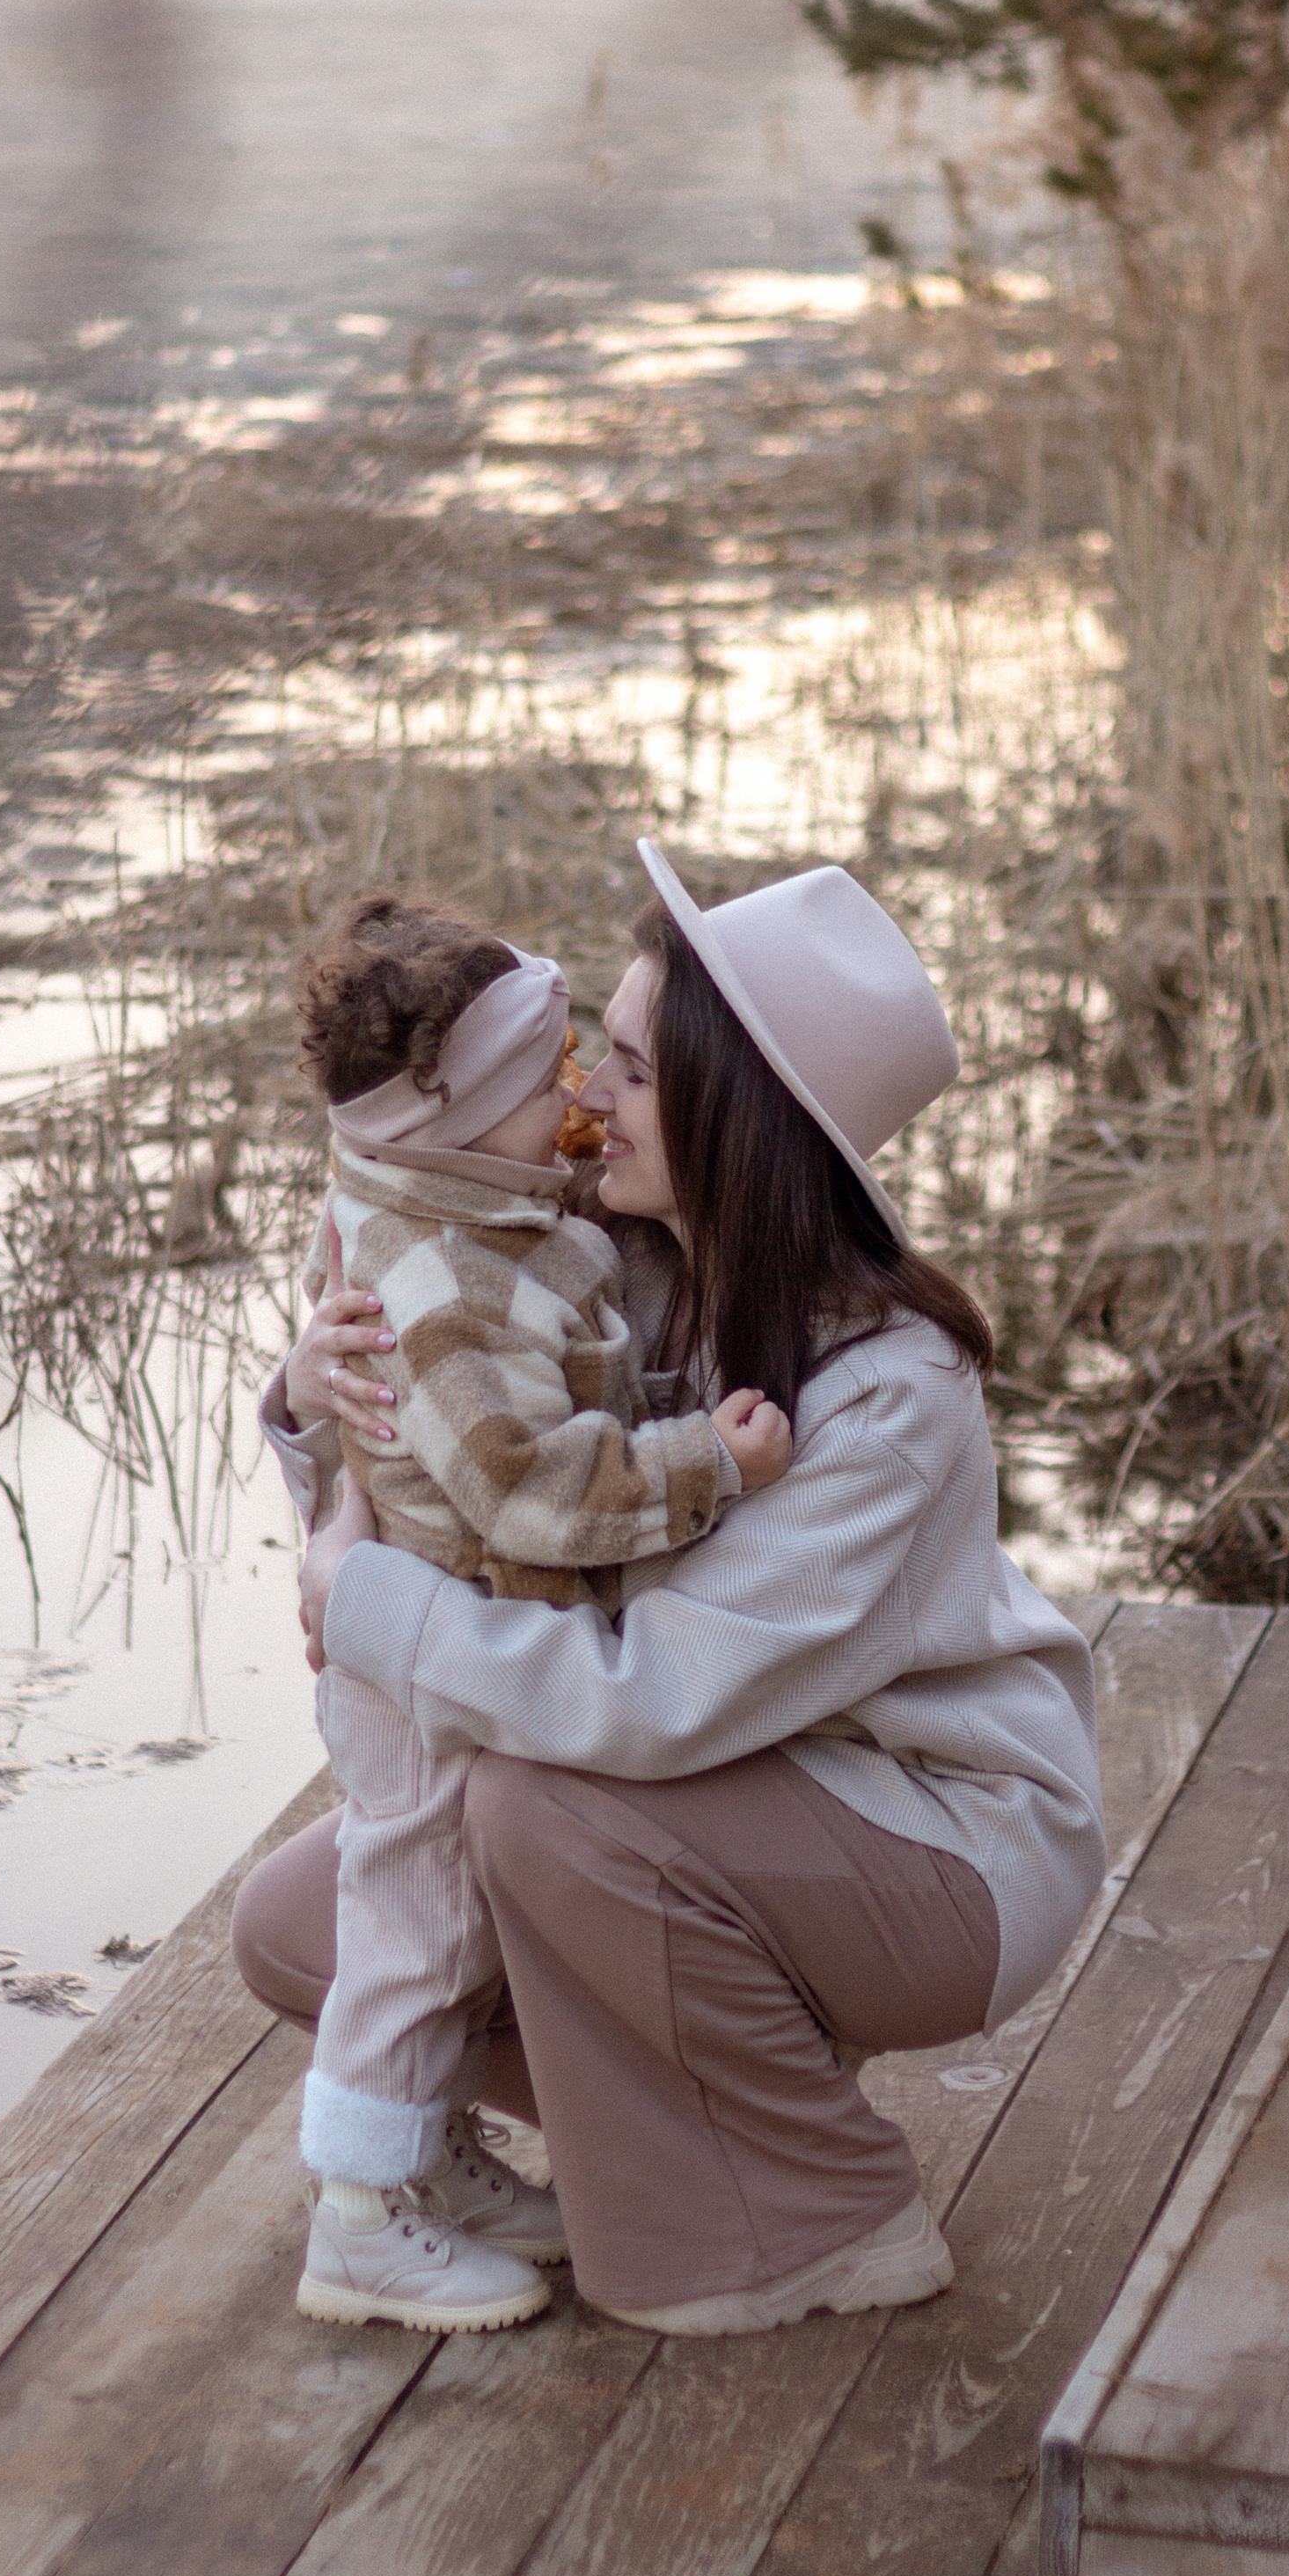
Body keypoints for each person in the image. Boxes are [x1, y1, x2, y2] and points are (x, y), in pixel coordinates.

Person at [239, 838, 1104, 2336]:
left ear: (737, 1113)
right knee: (299, 1923)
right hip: (721, 1792)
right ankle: (669, 2106)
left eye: (633, 1071)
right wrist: (321, 1402)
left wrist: (368, 1608)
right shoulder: (607, 1262)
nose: (586, 1094)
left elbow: (648, 1700)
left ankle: (821, 2218)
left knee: (537, 1808)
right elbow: (454, 1473)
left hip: (937, 1840)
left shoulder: (893, 1393)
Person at [287, 890, 795, 2333]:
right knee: (420, 1931)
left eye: (596, 1063)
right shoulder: (441, 1279)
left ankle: (430, 2166)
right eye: (547, 1078)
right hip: (432, 1657)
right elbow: (519, 1486)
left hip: (458, 1643)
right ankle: (359, 2217)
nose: (576, 1096)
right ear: (455, 1124)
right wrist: (708, 1465)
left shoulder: (463, 1202)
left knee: (450, 1923)